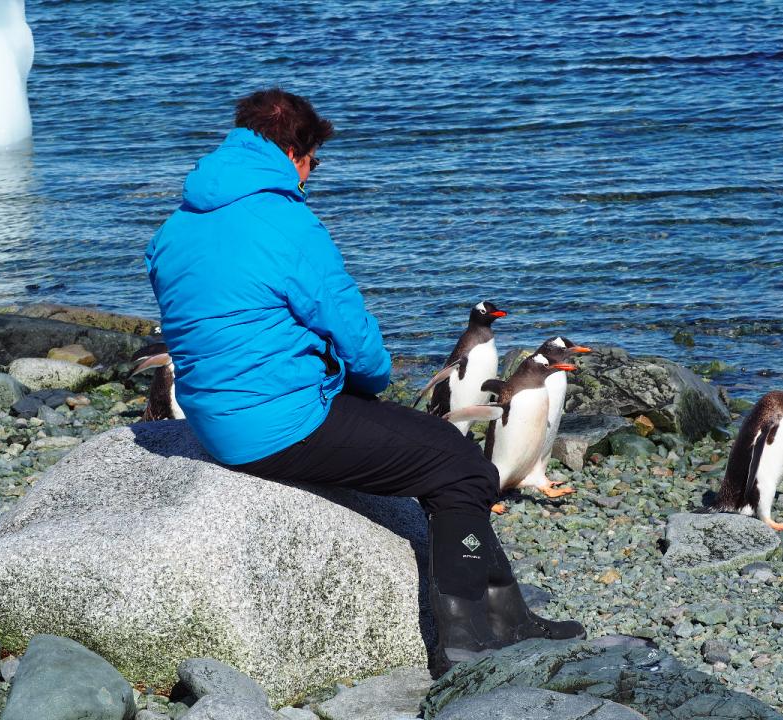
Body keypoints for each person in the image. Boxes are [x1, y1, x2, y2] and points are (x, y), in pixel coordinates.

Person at [144, 88, 585, 677]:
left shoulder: (176, 227)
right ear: (296, 152)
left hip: (215, 418)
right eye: (314, 163)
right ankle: (465, 639)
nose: (310, 177)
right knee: (458, 465)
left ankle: (512, 616)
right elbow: (359, 343)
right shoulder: (285, 221)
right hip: (280, 423)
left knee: (443, 450)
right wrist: (369, 381)